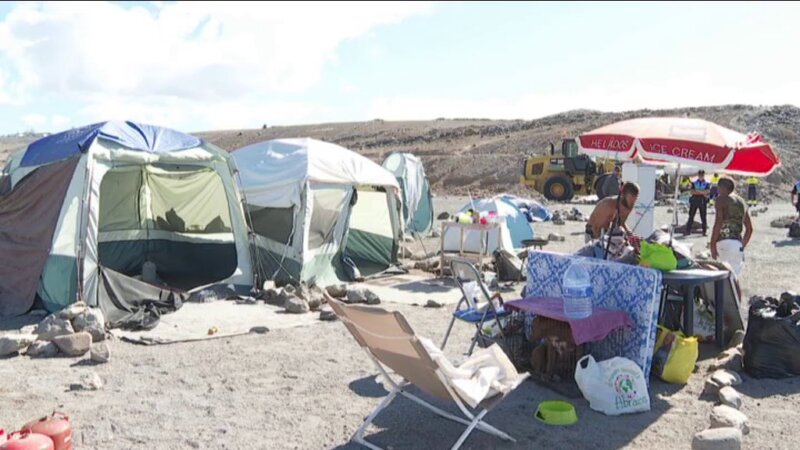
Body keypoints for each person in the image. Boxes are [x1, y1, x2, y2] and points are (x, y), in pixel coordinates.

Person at [710, 177, 752, 277]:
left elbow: (718, 222)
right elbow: (749, 229)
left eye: (718, 188)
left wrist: (712, 244)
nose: (718, 190)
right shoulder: (741, 202)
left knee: (722, 278)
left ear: (722, 188)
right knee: (734, 279)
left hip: (723, 242)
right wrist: (742, 245)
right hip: (737, 243)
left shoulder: (721, 199)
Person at [684, 170, 711, 236]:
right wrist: (702, 192)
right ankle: (688, 231)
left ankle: (704, 231)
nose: (701, 176)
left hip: (702, 201)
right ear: (698, 175)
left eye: (702, 175)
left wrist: (698, 191)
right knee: (691, 216)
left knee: (703, 217)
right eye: (700, 175)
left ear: (704, 175)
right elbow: (692, 192)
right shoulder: (694, 183)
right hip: (694, 200)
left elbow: (707, 191)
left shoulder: (707, 183)